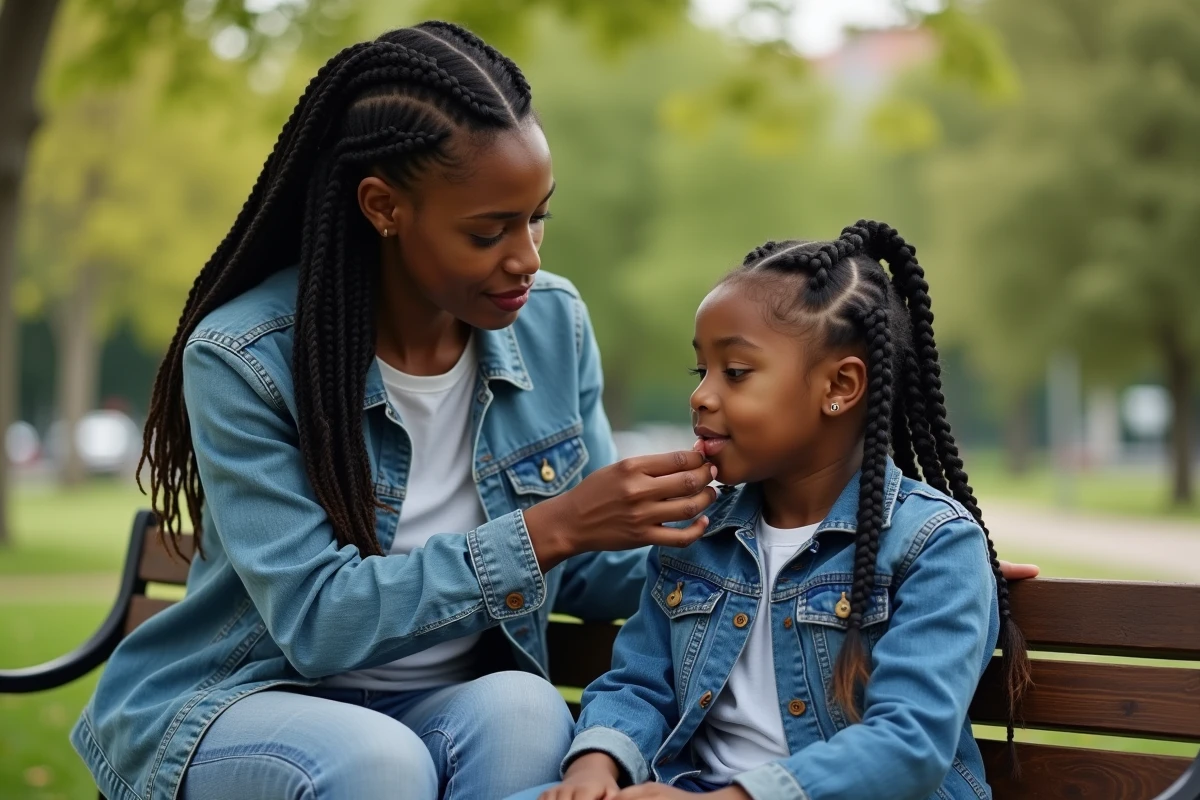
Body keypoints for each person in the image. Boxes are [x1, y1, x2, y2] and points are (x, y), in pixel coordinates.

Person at [69, 20, 1037, 799]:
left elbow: (613, 579)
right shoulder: (246, 357)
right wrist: (554, 525)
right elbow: (316, 621)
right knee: (380, 764)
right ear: (382, 206)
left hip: (446, 700)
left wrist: (849, 541)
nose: (527, 258)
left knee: (531, 712)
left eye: (539, 217)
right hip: (254, 697)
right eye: (491, 229)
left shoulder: (550, 322)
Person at [515, 222, 1032, 800]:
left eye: (735, 373)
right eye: (701, 371)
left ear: (840, 384)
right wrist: (596, 765)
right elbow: (638, 683)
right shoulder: (698, 532)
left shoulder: (932, 546)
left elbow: (907, 745)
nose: (702, 395)